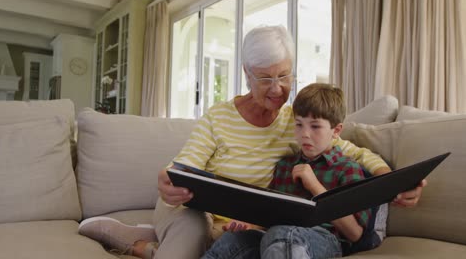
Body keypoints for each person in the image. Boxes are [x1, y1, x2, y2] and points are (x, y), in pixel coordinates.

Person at [78, 25, 426, 259]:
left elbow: (350, 149)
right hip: (196, 212)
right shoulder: (219, 117)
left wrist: (392, 179)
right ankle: (150, 240)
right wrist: (167, 179)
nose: (277, 89)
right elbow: (184, 166)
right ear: (246, 73)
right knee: (191, 237)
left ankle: (145, 245)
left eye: (284, 76)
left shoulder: (296, 122)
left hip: (251, 229)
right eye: (265, 79)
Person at [202, 83, 380, 259]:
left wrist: (315, 186)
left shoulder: (348, 169)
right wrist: (248, 225)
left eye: (315, 126)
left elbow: (355, 234)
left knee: (283, 235)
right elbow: (270, 216)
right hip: (275, 235)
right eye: (299, 125)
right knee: (232, 241)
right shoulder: (285, 166)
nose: (305, 134)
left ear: (336, 131)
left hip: (323, 239)